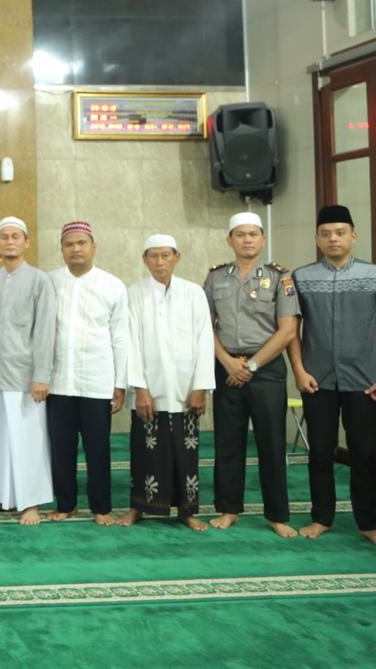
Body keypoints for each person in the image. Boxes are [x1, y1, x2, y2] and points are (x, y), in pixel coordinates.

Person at [204, 212, 297, 538]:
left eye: (253, 234)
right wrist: (228, 362)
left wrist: (251, 366)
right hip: (226, 367)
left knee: (272, 443)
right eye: (240, 234)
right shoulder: (215, 277)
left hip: (266, 369)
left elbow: (287, 330)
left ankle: (277, 515)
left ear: (263, 238)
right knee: (228, 441)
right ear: (230, 240)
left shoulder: (281, 277)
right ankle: (229, 510)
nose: (247, 240)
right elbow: (204, 326)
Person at [288, 205, 376, 544]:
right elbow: (291, 331)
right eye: (326, 234)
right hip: (317, 381)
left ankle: (368, 522)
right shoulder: (301, 278)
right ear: (317, 239)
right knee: (320, 453)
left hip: (365, 382)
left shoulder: (372, 274)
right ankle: (321, 517)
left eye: (340, 232)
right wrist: (298, 370)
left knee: (365, 454)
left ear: (353, 236)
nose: (333, 239)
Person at [121, 234, 214, 532]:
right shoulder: (134, 294)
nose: (160, 262)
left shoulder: (193, 293)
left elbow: (205, 340)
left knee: (185, 454)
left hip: (186, 389)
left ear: (177, 257)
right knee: (145, 452)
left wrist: (200, 387)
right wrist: (140, 389)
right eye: (153, 256)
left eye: (165, 255)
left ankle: (187, 511)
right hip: (150, 389)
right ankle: (138, 507)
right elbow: (131, 343)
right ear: (144, 259)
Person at [48, 221, 129, 526]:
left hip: (97, 381)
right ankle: (65, 504)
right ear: (62, 249)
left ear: (94, 247)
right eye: (69, 244)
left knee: (98, 448)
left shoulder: (113, 285)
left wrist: (120, 382)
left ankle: (101, 507)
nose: (76, 249)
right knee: (61, 448)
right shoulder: (50, 282)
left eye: (82, 243)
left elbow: (121, 337)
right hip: (59, 382)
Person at [0, 217, 56, 526]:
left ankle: (31, 502)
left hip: (27, 377)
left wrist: (42, 376)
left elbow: (46, 331)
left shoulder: (40, 280)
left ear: (26, 242)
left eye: (16, 236)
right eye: (4, 236)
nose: (10, 241)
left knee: (28, 441)